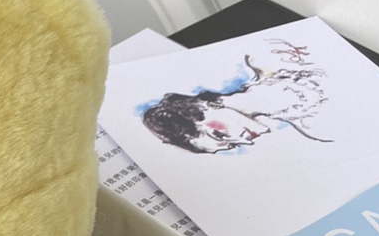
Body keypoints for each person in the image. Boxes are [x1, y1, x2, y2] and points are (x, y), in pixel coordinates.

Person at [141, 41, 332, 154]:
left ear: (202, 107)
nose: (247, 141)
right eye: (232, 145)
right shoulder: (315, 129)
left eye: (220, 135)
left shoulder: (263, 56)